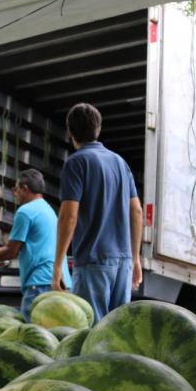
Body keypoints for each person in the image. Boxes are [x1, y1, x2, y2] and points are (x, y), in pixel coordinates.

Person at [52, 102, 143, 323]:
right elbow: (137, 211)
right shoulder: (120, 163)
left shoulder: (76, 163)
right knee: (118, 332)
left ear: (70, 132)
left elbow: (68, 216)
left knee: (90, 332)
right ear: (98, 129)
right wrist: (136, 258)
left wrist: (57, 264)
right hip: (123, 261)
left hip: (93, 261)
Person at [0, 169, 71, 321]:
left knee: (31, 336)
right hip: (61, 281)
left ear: (25, 188)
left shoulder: (25, 211)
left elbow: (11, 250)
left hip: (40, 284)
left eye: (16, 189)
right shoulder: (48, 210)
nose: (15, 194)